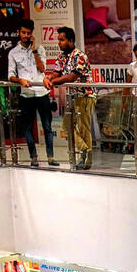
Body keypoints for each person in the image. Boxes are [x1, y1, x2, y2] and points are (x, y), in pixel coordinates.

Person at [9, 19, 56, 167]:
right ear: (18, 33)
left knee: (47, 126)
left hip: (42, 93)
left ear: (32, 34)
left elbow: (42, 69)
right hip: (26, 93)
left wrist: (34, 50)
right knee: (28, 127)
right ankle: (33, 157)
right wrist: (20, 80)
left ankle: (50, 157)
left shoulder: (40, 49)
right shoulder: (13, 53)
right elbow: (10, 75)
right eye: (23, 32)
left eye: (28, 33)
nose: (26, 35)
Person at [48, 26, 94, 169]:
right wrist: (48, 78)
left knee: (84, 128)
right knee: (67, 126)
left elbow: (72, 76)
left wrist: (54, 81)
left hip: (85, 95)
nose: (59, 43)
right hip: (73, 96)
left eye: (62, 40)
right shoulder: (61, 57)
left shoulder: (79, 56)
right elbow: (55, 73)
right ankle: (85, 149)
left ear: (71, 40)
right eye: (58, 40)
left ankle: (86, 159)